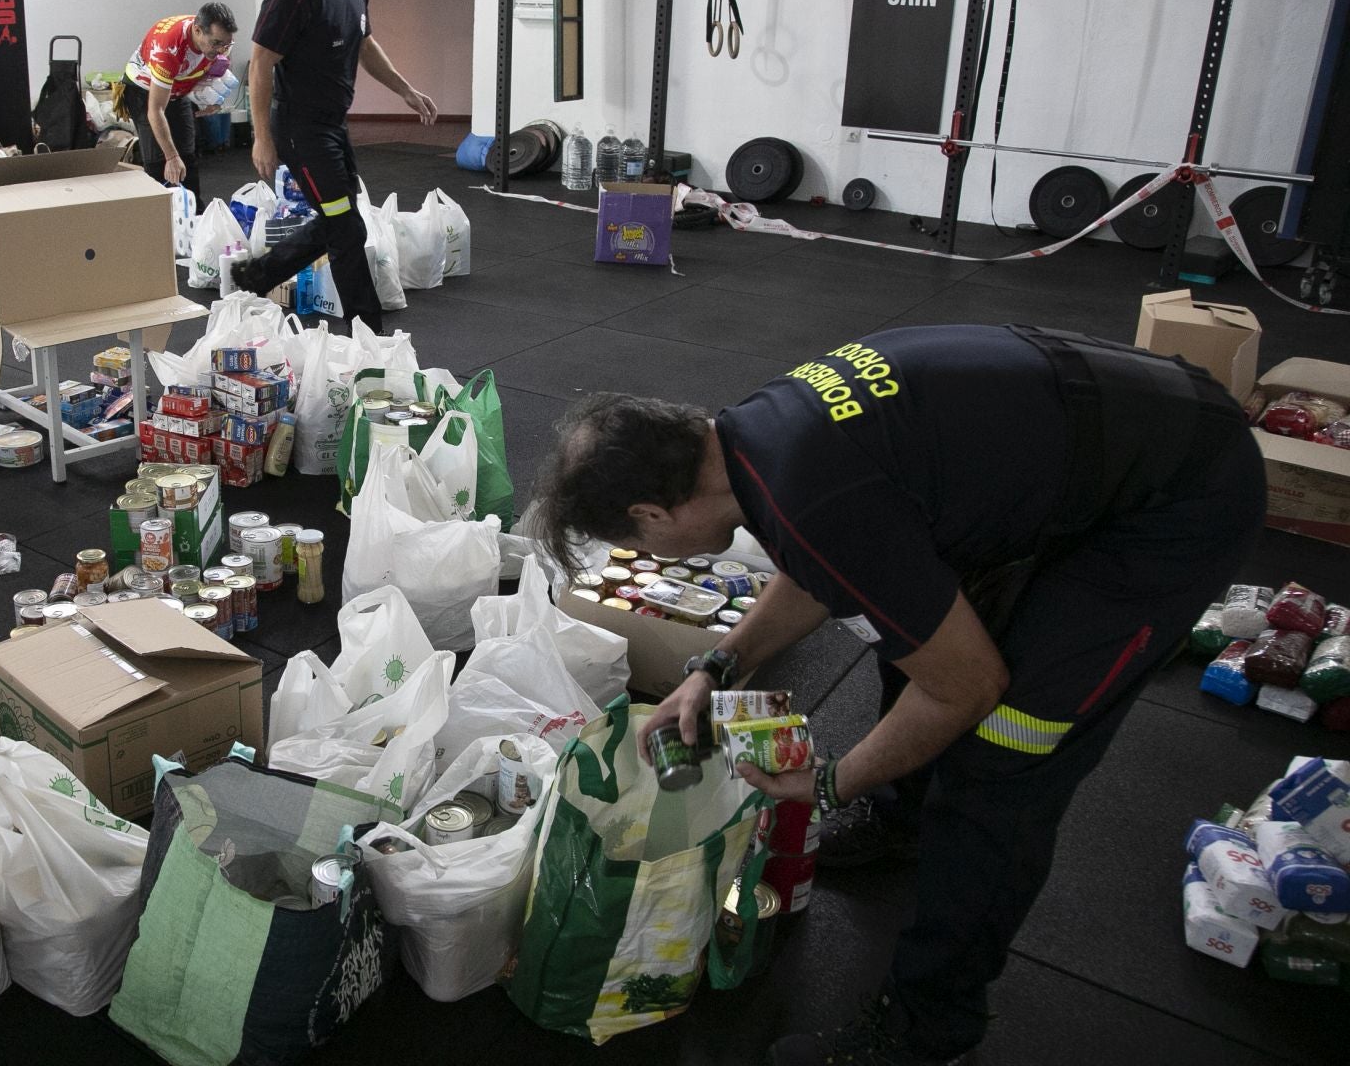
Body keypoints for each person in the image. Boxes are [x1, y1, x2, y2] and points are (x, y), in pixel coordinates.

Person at [532, 324, 1264, 1066]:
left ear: (653, 516)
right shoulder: (757, 437)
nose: (653, 556)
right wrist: (715, 665)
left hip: (1177, 500)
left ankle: (928, 1033)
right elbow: (826, 563)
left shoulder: (813, 492)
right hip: (1115, 430)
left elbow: (968, 685)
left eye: (643, 544)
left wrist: (825, 784)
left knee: (1004, 757)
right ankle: (905, 820)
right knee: (901, 631)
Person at [230, 0, 437, 335]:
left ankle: (260, 275)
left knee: (342, 220)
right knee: (345, 229)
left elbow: (365, 45)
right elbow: (261, 62)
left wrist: (405, 90)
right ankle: (369, 334)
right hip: (301, 131)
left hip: (333, 126)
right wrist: (261, 136)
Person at [122, 3, 238, 202]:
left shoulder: (216, 40)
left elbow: (222, 63)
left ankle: (195, 214)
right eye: (217, 44)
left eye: (226, 44)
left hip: (178, 85)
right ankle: (159, 216)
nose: (221, 50)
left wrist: (211, 98)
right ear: (198, 31)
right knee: (161, 160)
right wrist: (170, 156)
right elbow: (156, 110)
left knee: (187, 154)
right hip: (144, 89)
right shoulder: (168, 48)